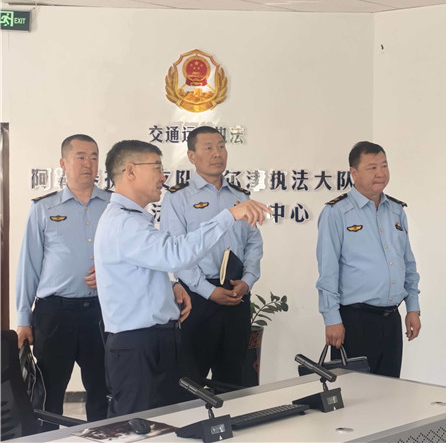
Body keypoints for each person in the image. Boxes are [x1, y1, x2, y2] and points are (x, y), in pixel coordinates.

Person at [94, 140, 271, 416]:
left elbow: (141, 271)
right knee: (137, 427)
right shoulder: (124, 223)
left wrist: (171, 286)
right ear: (130, 171)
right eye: (156, 168)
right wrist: (228, 216)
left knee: (168, 422)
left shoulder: (132, 219)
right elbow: (176, 253)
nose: (163, 177)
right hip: (138, 346)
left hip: (152, 340)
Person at [16, 134, 110, 423]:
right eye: (80, 157)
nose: (88, 163)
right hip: (55, 313)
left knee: (104, 389)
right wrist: (23, 319)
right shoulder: (44, 208)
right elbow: (29, 265)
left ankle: (105, 437)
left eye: (94, 157)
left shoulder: (114, 205)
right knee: (48, 393)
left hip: (103, 310)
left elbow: (130, 255)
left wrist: (110, 274)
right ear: (63, 163)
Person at [161, 126, 262, 387]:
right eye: (208, 148)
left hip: (236, 294)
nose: (217, 153)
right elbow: (176, 252)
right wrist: (208, 291)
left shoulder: (240, 196)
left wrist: (248, 280)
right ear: (192, 156)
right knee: (191, 381)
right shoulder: (178, 197)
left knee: (234, 380)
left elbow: (254, 243)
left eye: (221, 146)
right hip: (196, 299)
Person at [315, 141, 422, 378]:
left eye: (384, 165)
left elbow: (407, 264)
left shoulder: (396, 210)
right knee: (355, 394)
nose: (380, 173)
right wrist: (331, 319)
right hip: (355, 321)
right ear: (354, 173)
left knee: (389, 391)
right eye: (372, 167)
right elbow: (328, 271)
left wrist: (412, 308)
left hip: (391, 319)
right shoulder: (336, 212)